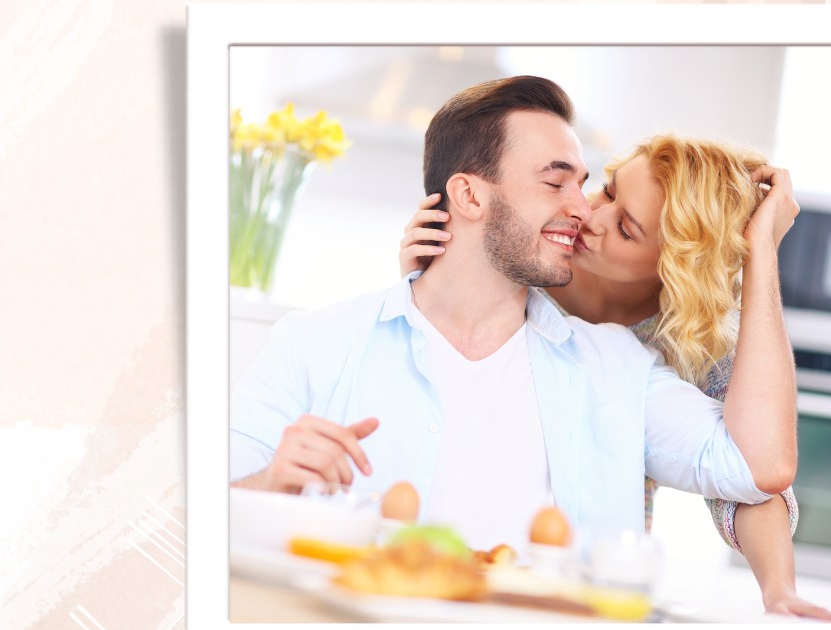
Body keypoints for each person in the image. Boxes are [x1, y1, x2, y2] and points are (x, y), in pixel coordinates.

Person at [230, 75, 786, 565]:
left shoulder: (618, 366)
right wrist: (270, 484)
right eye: (555, 181)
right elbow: (194, 515)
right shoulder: (316, 345)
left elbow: (757, 466)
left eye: (582, 182)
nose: (584, 207)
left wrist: (761, 252)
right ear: (468, 195)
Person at [399, 132, 831, 622]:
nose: (591, 218)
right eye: (608, 191)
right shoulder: (533, 262)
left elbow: (755, 475)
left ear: (675, 264)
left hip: (589, 575)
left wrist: (778, 590)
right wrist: (423, 285)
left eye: (627, 229)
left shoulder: (696, 337)